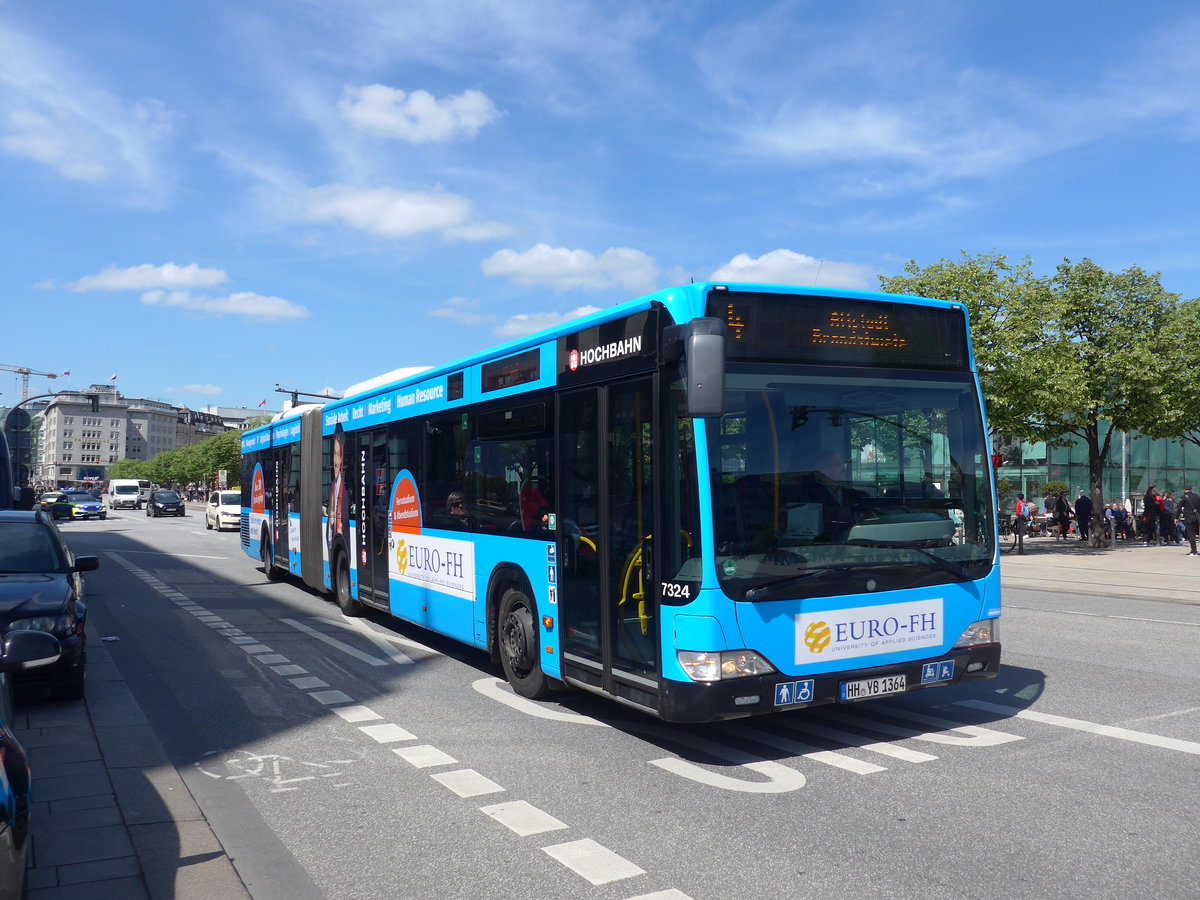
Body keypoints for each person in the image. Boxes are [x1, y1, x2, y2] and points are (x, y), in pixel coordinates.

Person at [1178, 486, 1200, 557]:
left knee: (1191, 535)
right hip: (1197, 518)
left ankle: (1194, 551)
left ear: (1184, 490)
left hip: (1189, 518)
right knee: (1196, 534)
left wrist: (1176, 517)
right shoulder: (1197, 496)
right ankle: (1193, 550)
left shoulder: (1184, 497)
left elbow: (1179, 508)